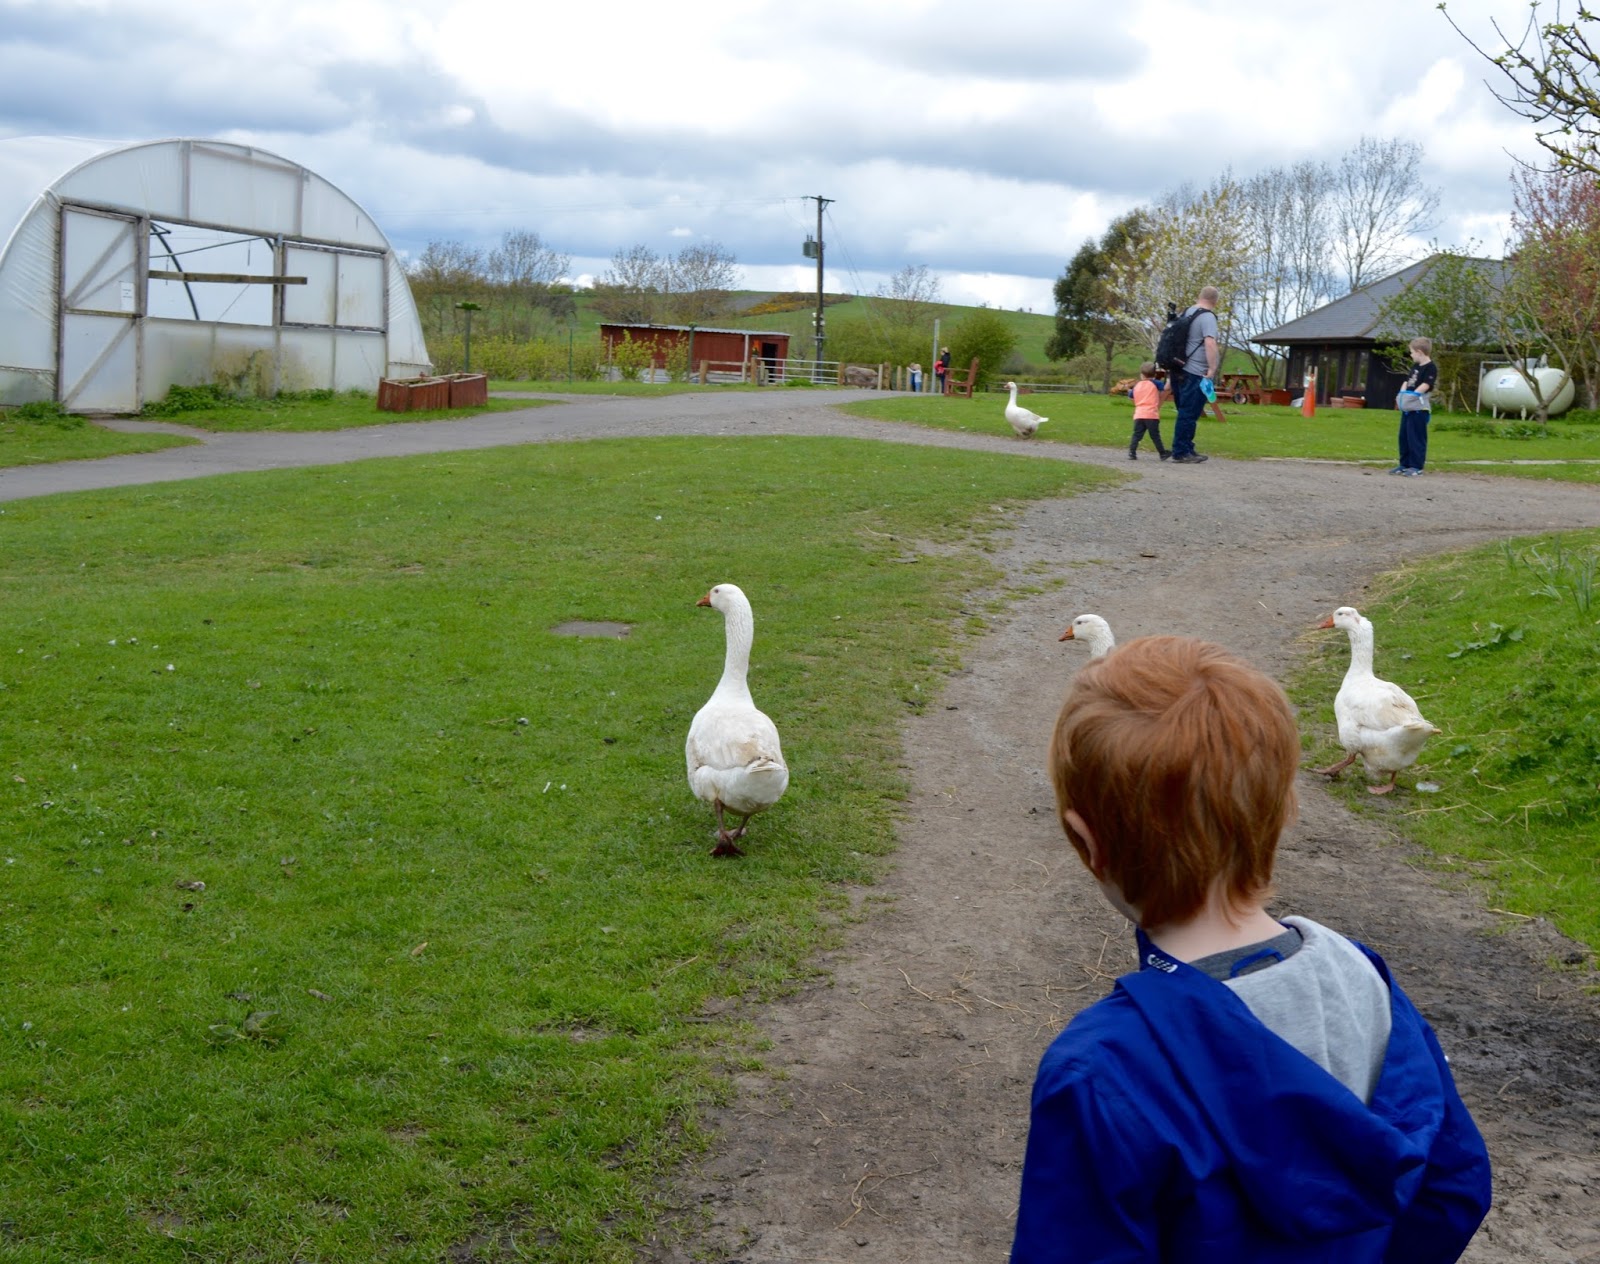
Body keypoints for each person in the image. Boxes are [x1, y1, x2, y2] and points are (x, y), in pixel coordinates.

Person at [1011, 636, 1492, 1264]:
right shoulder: (1364, 980)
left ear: (1086, 841)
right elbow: (1452, 1184)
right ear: (1287, 809)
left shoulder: (1102, 1071)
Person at [1169, 286, 1221, 464]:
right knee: (1189, 413)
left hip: (1177, 369)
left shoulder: (1186, 313)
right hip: (1195, 370)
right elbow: (1210, 343)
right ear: (1215, 301)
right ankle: (1181, 451)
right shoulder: (1207, 317)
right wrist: (1212, 368)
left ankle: (1186, 447)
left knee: (1184, 411)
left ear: (1199, 296)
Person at [1394, 337, 1437, 477]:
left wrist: (1413, 395)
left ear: (1419, 352)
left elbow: (1426, 385)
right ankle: (1404, 464)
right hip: (1407, 408)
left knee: (1416, 438)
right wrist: (1402, 394)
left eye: (1411, 352)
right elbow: (1407, 381)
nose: (1411, 355)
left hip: (1418, 409)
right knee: (1404, 437)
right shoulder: (1415, 367)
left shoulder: (1431, 367)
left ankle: (1416, 466)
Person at [1128, 361, 1170, 461]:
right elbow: (1165, 388)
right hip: (1151, 414)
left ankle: (1132, 452)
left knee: (1137, 434)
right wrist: (1169, 379)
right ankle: (1162, 453)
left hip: (1139, 414)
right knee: (1155, 435)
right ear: (1155, 374)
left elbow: (1131, 396)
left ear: (1141, 375)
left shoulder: (1137, 385)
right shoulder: (1156, 383)